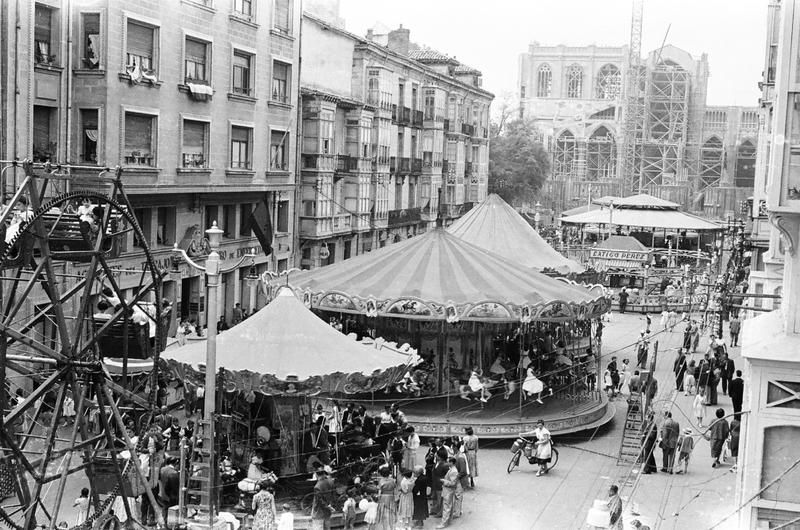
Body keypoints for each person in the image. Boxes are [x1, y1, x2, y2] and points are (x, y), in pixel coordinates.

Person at [437, 458, 459, 529]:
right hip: (447, 490)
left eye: (449, 461)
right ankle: (448, 521)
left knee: (446, 506)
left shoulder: (454, 471)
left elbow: (453, 483)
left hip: (448, 490)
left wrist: (444, 481)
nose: (447, 462)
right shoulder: (451, 469)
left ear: (452, 462)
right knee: (448, 506)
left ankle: (444, 523)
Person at [376, 466, 397, 530]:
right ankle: (392, 528)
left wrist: (378, 499)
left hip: (384, 498)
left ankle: (385, 528)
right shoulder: (392, 480)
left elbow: (379, 492)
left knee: (384, 515)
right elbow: (394, 489)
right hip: (391, 497)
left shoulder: (381, 481)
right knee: (391, 514)